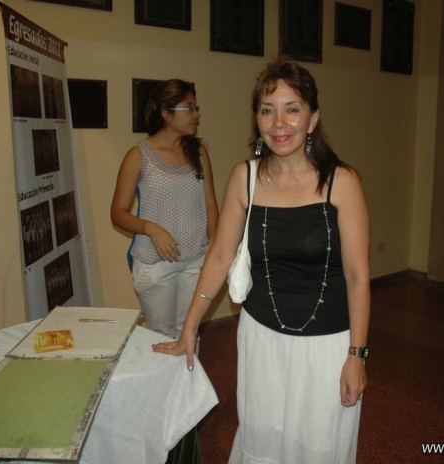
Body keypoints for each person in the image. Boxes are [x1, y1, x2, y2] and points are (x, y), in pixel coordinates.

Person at [153, 57, 371, 463]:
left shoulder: (341, 182)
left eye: (292, 109)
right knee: (263, 439)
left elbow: (358, 276)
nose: (279, 123)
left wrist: (356, 356)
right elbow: (221, 255)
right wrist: (190, 328)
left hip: (327, 344)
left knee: (319, 445)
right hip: (261, 338)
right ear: (257, 119)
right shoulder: (245, 178)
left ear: (313, 118)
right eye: (267, 110)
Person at [111, 79, 219, 339]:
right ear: (166, 113)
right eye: (189, 108)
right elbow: (118, 213)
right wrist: (151, 228)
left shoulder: (199, 153)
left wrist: (214, 249)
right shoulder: (139, 155)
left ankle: (189, 369)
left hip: (195, 259)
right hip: (155, 264)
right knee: (161, 336)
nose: (196, 115)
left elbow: (210, 204)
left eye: (195, 108)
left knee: (189, 333)